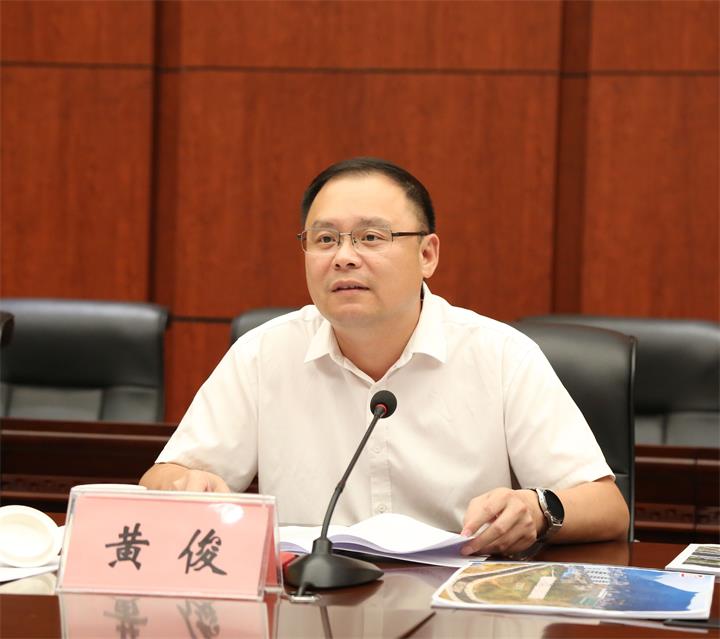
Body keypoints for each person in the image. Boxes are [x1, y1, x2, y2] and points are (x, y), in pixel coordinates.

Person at [141, 157, 629, 557]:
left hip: (456, 611)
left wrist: (538, 510)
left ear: (427, 255)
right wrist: (184, 483)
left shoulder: (500, 355)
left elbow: (608, 507)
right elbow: (163, 478)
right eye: (325, 239)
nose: (344, 257)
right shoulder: (263, 353)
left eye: (371, 238)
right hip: (312, 604)